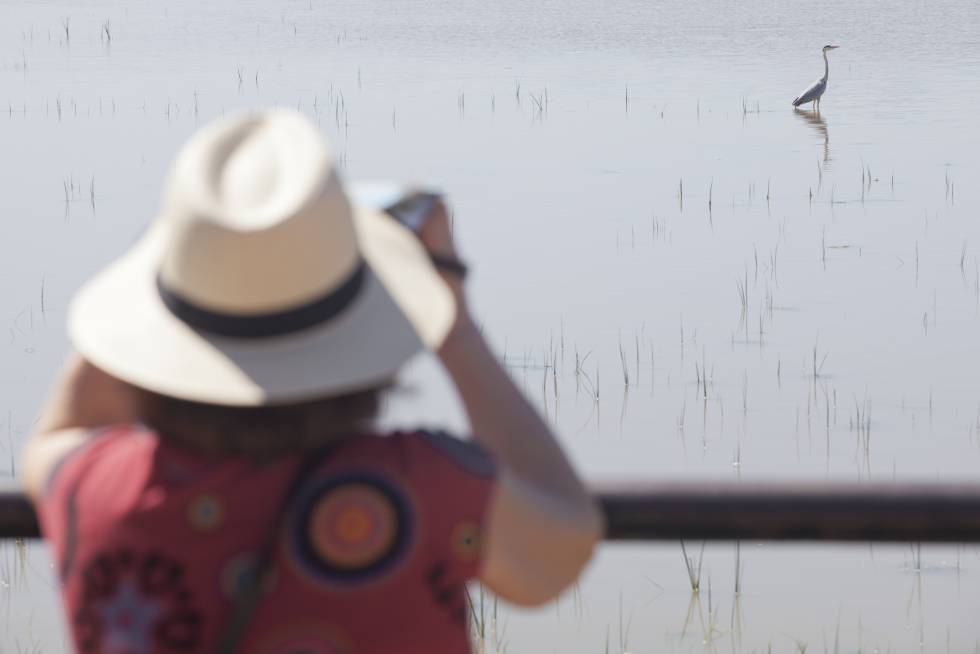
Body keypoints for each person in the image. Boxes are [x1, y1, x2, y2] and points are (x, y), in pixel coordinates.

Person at [20, 109, 602, 653]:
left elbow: (61, 429)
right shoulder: (421, 489)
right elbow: (560, 547)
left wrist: (170, 272)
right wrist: (454, 323)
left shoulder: (97, 490)